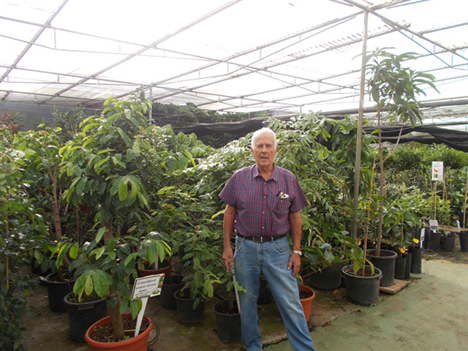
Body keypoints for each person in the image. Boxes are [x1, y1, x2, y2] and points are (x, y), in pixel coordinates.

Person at [219, 127, 315, 351]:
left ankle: (304, 349)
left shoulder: (288, 179)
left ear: (276, 150)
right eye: (259, 146)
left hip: (278, 249)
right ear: (252, 150)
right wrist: (227, 247)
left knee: (290, 302)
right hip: (245, 248)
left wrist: (297, 251)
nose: (264, 150)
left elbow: (296, 216)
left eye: (268, 145)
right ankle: (253, 346)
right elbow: (229, 213)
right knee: (247, 302)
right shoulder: (239, 178)